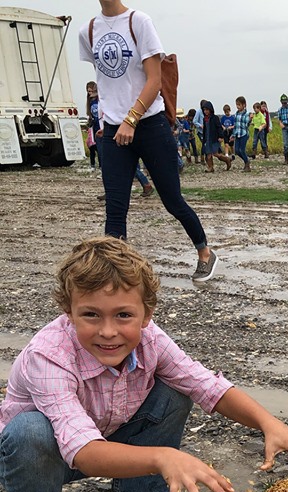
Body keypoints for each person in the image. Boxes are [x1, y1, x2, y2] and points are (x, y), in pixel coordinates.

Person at [0, 237, 288, 492]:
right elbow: (82, 451)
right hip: (41, 459)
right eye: (91, 315)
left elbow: (206, 385)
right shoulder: (49, 356)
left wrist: (269, 424)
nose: (108, 331)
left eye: (124, 315)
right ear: (69, 312)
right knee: (29, 431)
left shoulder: (151, 339)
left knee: (176, 388)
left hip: (108, 438)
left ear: (147, 314)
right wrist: (163, 458)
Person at [79, 0, 219, 282]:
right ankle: (114, 278)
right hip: (114, 130)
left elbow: (154, 80)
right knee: (115, 206)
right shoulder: (88, 31)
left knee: (172, 200)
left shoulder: (139, 21)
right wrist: (109, 120)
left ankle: (205, 253)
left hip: (150, 124)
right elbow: (105, 82)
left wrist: (131, 119)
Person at [201, 101, 233, 172]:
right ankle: (210, 167)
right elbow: (205, 130)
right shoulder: (205, 119)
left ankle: (227, 160)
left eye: (207, 110)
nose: (205, 111)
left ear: (210, 109)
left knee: (216, 153)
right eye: (204, 110)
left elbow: (219, 127)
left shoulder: (215, 118)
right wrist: (204, 140)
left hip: (214, 138)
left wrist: (221, 136)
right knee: (208, 153)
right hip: (208, 138)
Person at [233, 96, 252, 172]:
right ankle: (246, 160)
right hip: (237, 134)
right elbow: (235, 125)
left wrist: (250, 119)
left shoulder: (246, 114)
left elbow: (247, 124)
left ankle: (247, 164)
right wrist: (233, 135)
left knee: (242, 150)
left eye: (239, 105)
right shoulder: (236, 114)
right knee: (237, 150)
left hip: (244, 134)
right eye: (237, 105)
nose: (238, 106)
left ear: (244, 105)